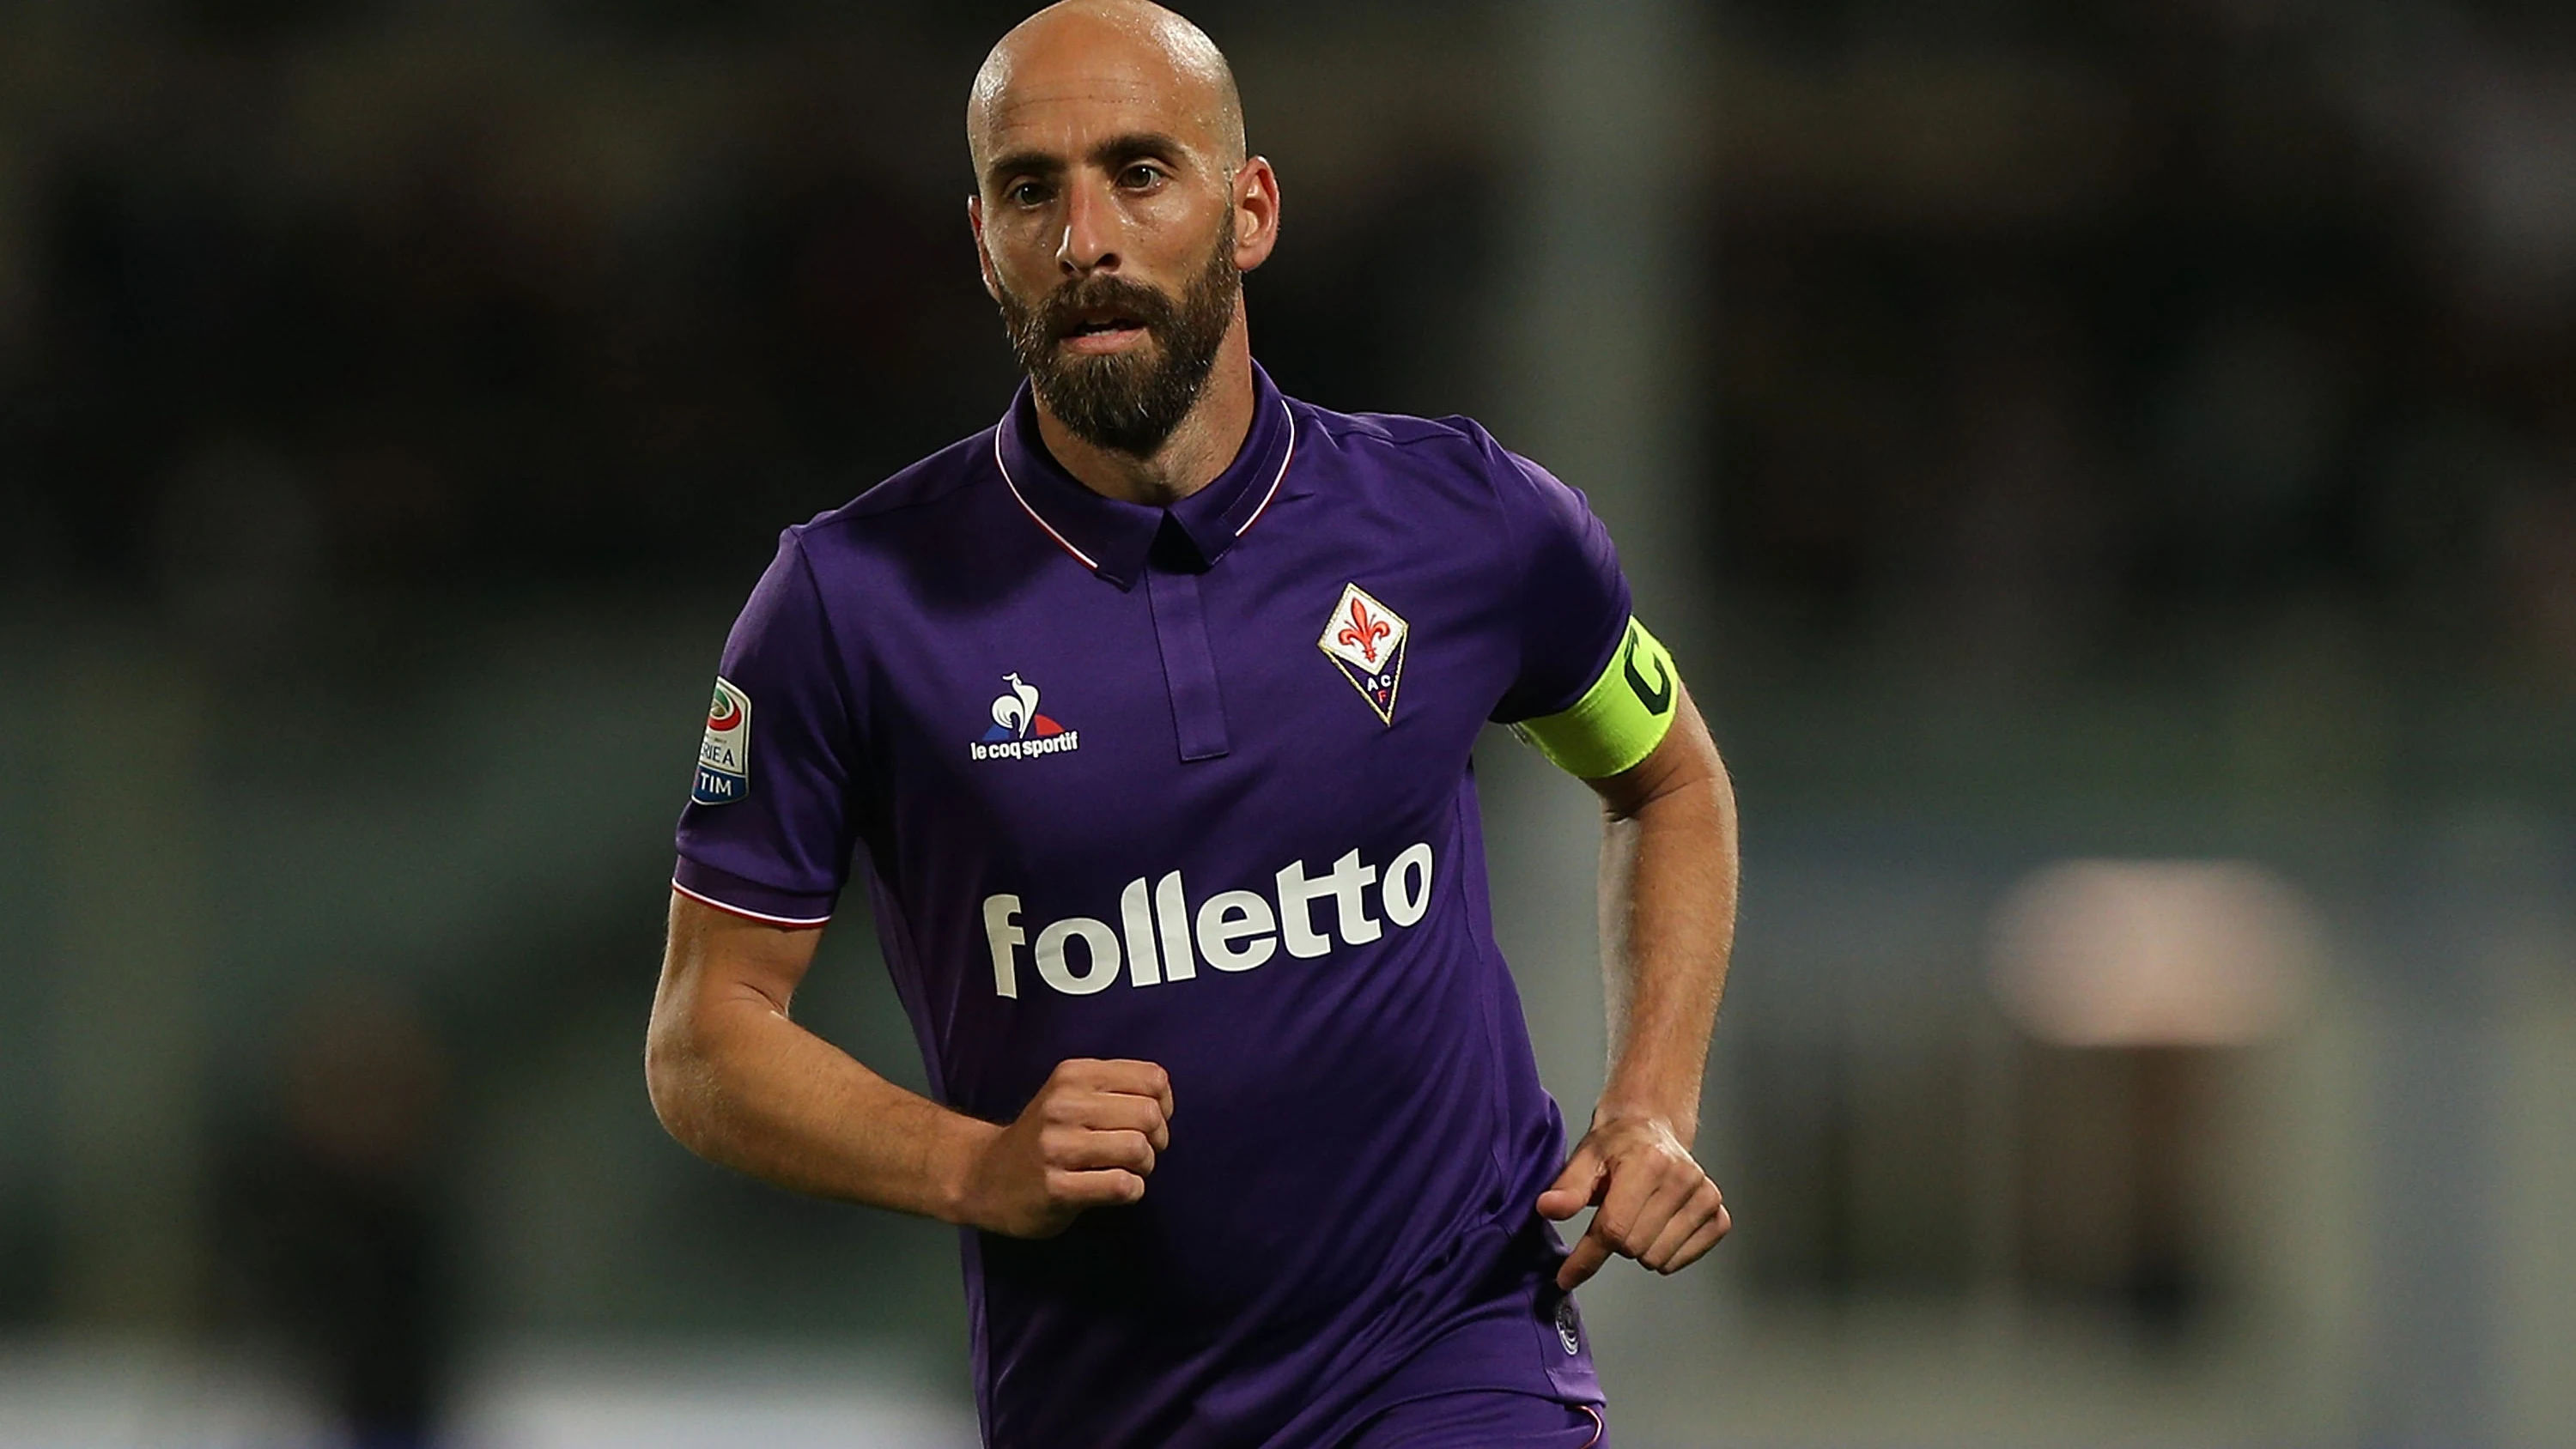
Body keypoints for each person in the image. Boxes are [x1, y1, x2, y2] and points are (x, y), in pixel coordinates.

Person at [642, 3, 1740, 1445]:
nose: (1085, 235)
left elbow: (1668, 786)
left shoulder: (1468, 524)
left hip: (1458, 1354)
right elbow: (705, 1039)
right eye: (1032, 190)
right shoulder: (850, 604)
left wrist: (1649, 1102)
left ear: (1251, 208)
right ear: (984, 242)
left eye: (1140, 172)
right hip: (1106, 1406)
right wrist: (974, 1166)